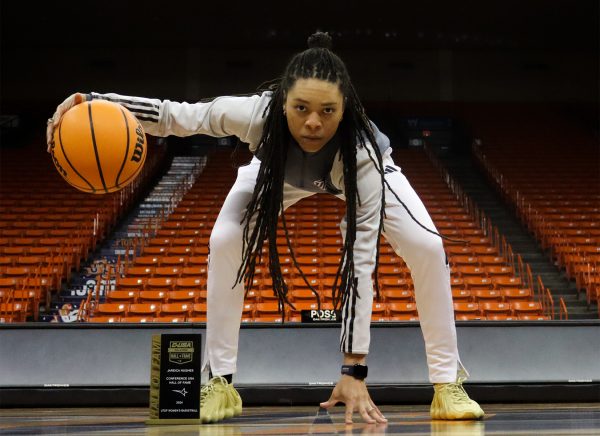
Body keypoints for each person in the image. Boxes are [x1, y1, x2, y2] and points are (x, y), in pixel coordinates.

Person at [47, 31, 484, 425]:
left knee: (428, 247)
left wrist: (353, 369)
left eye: (327, 111)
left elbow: (360, 258)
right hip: (276, 175)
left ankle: (447, 386)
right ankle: (219, 380)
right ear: (282, 104)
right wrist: (94, 101)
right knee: (225, 239)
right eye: (301, 109)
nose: (313, 122)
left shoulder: (361, 150)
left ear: (344, 109)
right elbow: (174, 116)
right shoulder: (254, 114)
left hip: (353, 176)